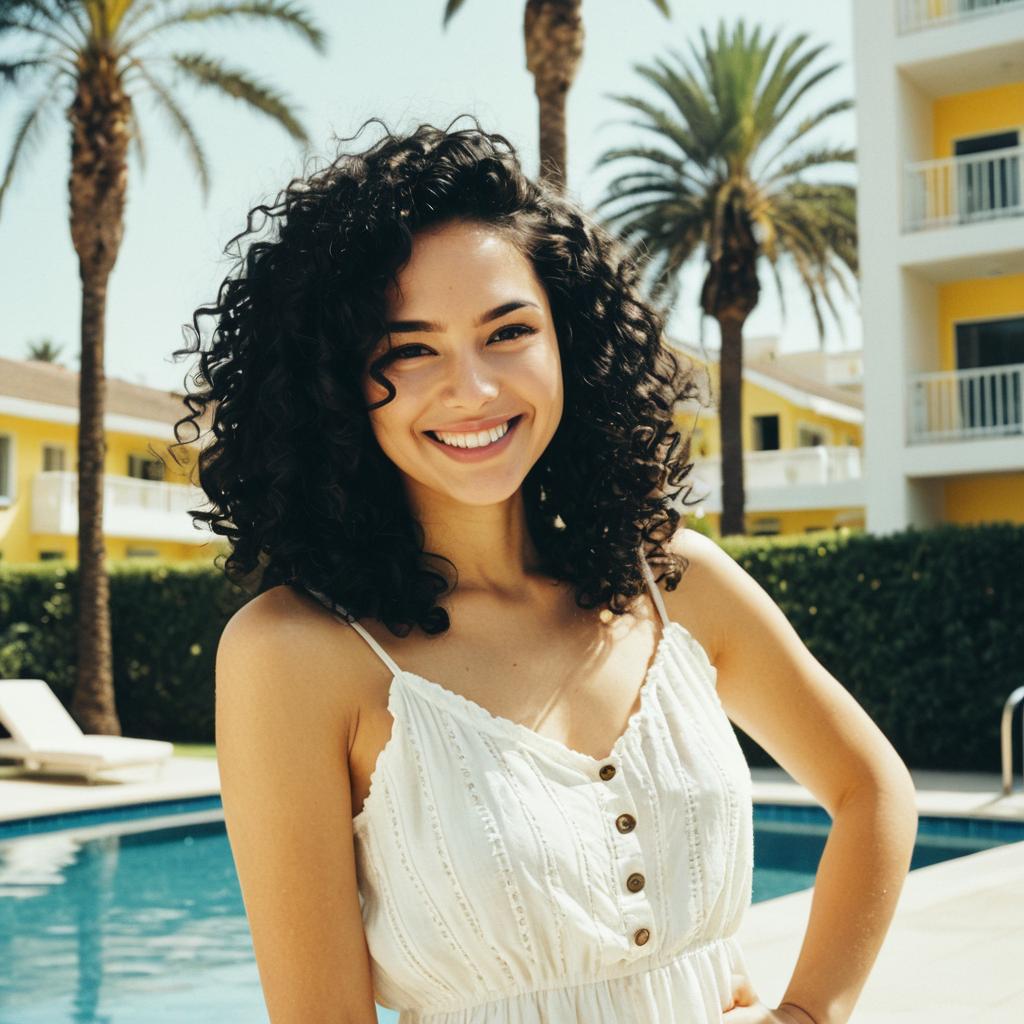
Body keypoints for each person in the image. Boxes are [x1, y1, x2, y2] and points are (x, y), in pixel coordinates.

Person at [180, 117, 918, 1024]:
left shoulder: (674, 582)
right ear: (335, 382)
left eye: (508, 331)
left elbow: (872, 792)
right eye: (410, 349)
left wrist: (807, 1015)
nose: (474, 389)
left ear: (568, 340)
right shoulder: (293, 653)